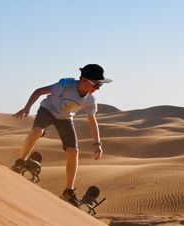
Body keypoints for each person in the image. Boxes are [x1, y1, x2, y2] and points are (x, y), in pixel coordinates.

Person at [11, 64, 112, 204]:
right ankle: (21, 161)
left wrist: (97, 144)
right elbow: (38, 91)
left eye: (100, 85)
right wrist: (27, 108)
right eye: (96, 84)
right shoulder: (65, 85)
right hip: (47, 110)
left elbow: (92, 120)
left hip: (65, 119)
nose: (98, 88)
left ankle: (68, 191)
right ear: (84, 80)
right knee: (37, 131)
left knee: (73, 151)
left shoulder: (90, 100)